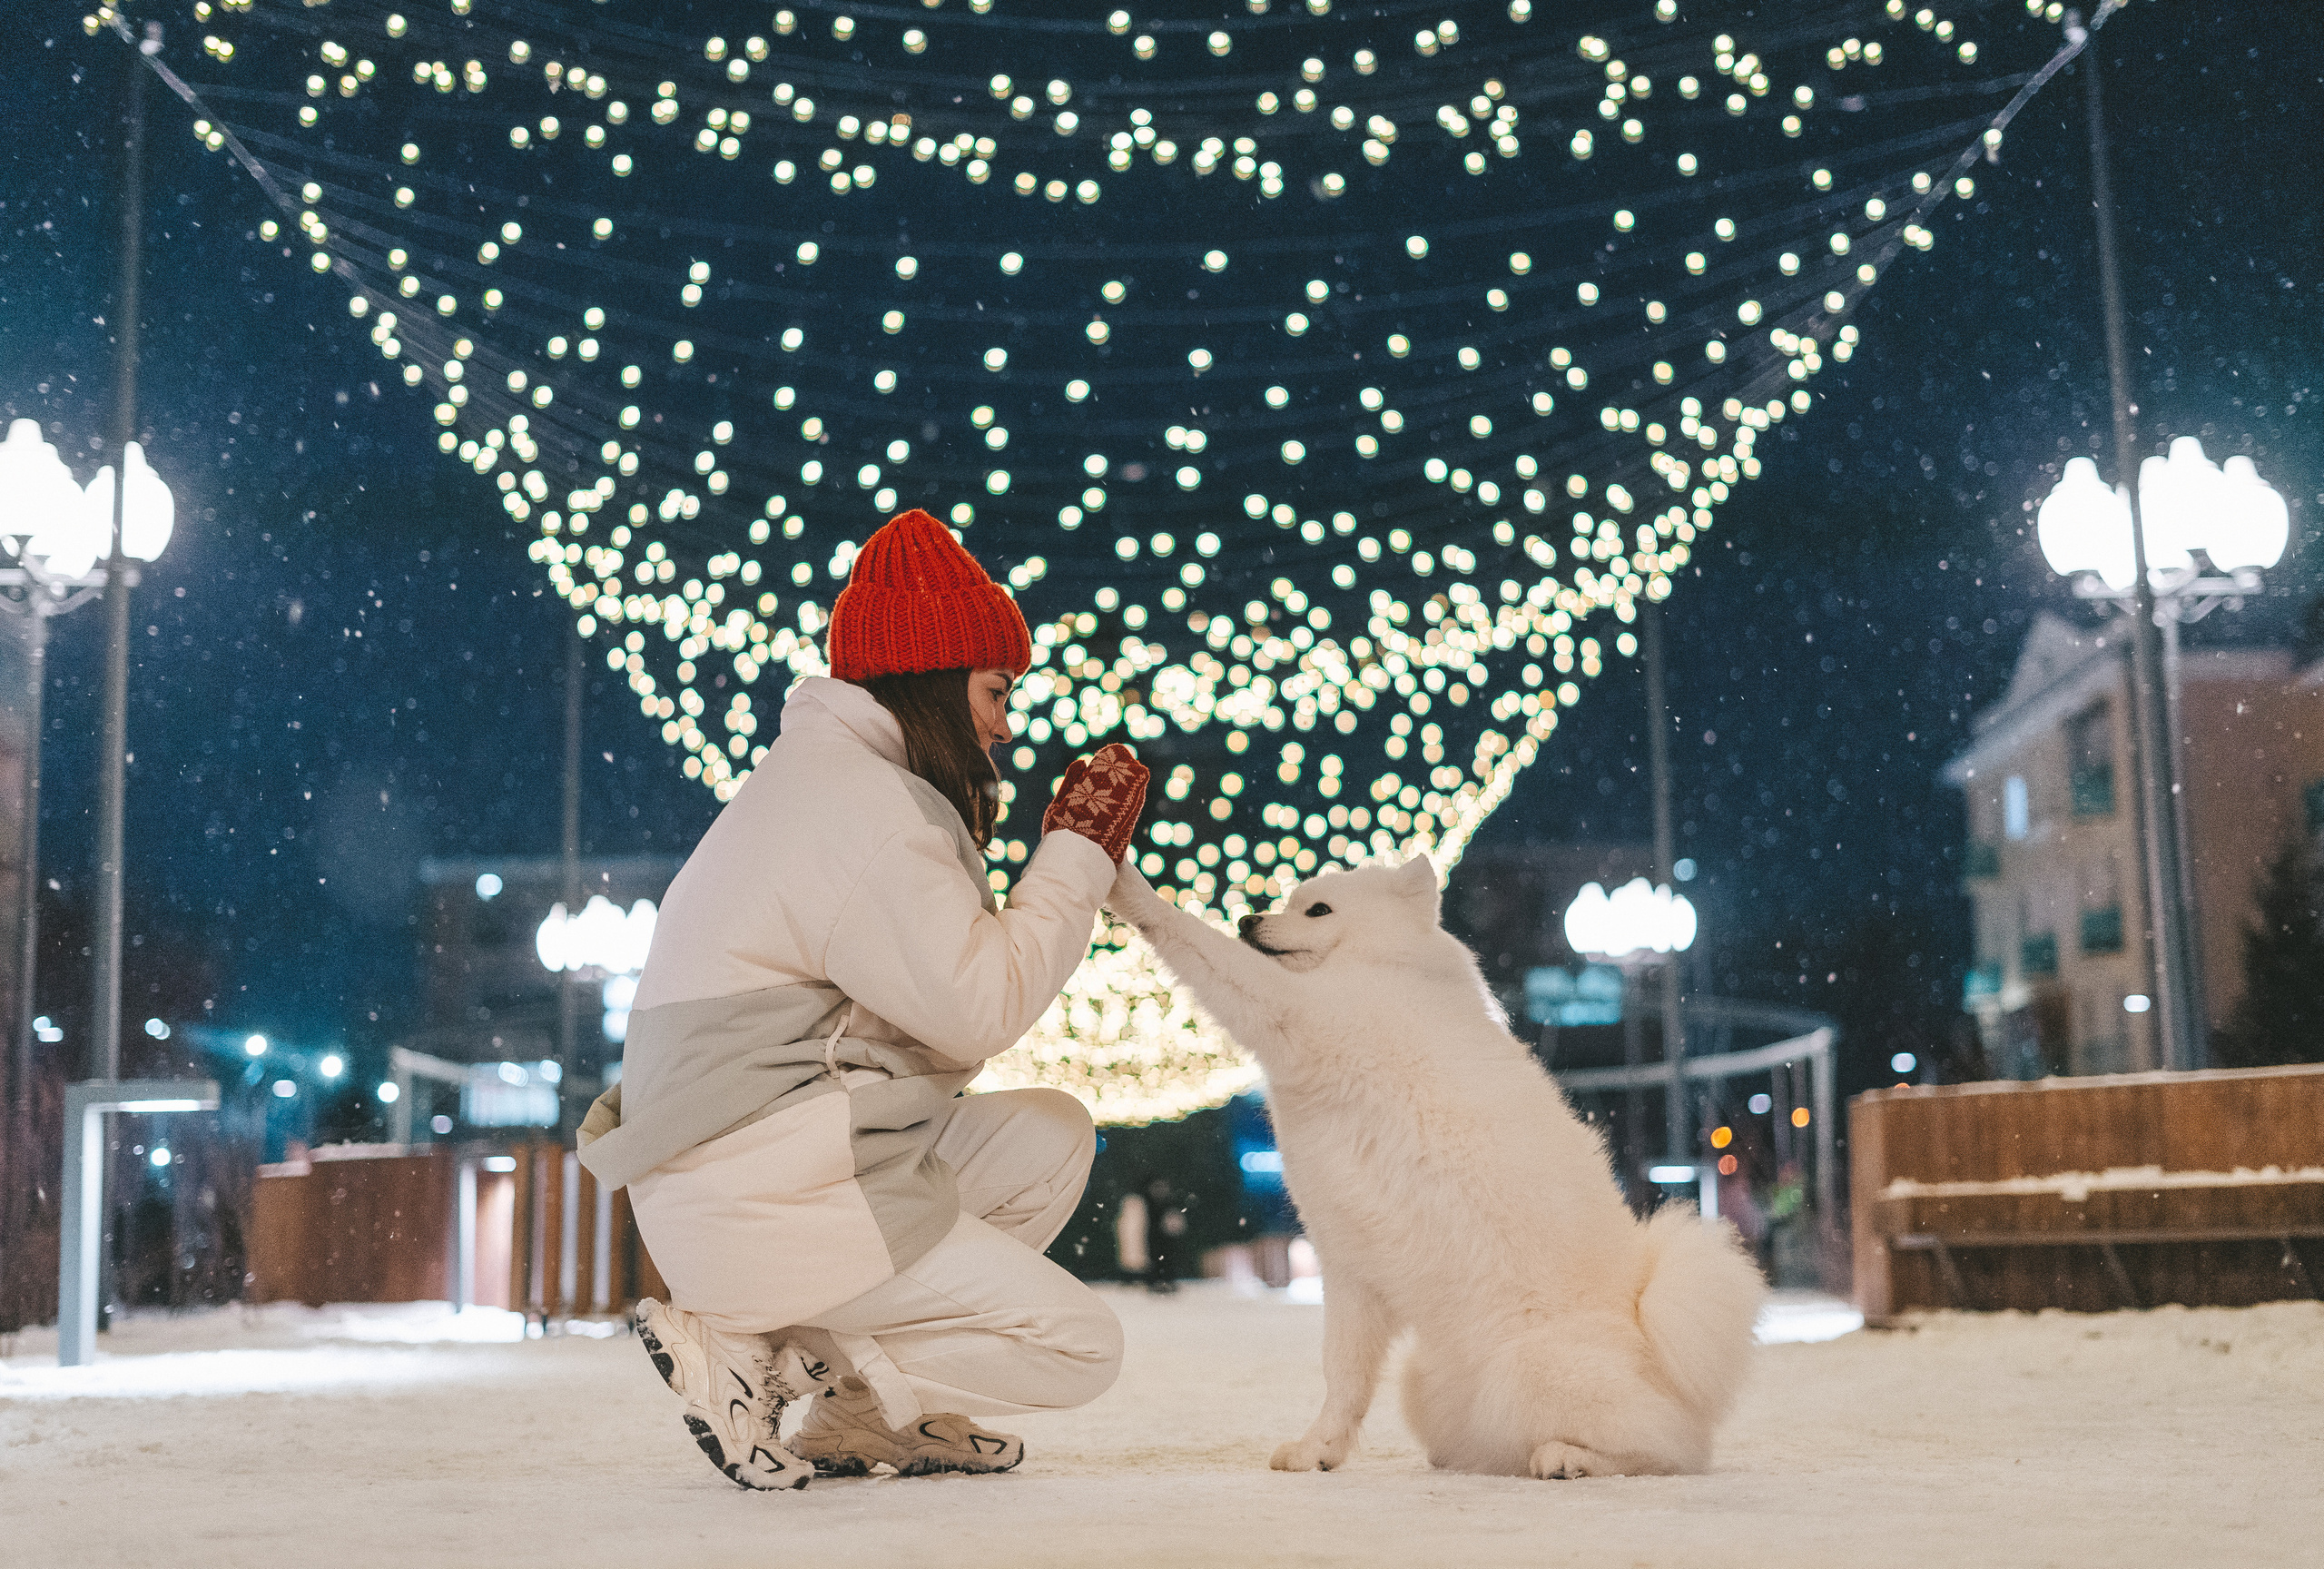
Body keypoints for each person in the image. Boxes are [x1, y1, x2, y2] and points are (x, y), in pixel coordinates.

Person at [576, 508, 1149, 1490]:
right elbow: (980, 1007)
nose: (1005, 724)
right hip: (767, 1187)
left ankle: (859, 1418)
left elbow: (944, 1002)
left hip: (761, 1162)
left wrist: (1070, 863)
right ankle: (771, 1360)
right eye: (995, 689)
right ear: (933, 676)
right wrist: (1076, 856)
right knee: (1077, 1347)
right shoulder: (865, 811)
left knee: (1050, 1134)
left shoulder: (834, 784)